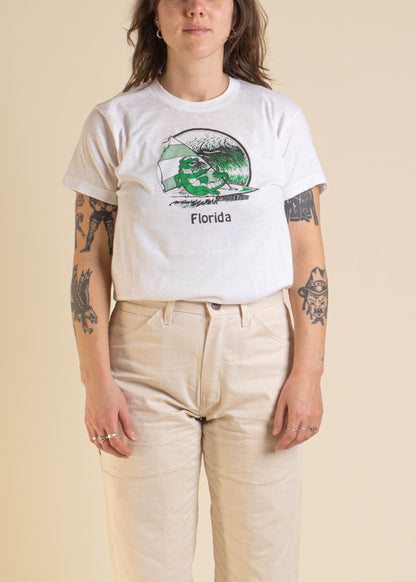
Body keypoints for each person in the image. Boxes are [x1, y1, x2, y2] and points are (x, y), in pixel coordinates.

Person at [61, 0, 328, 580]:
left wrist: (308, 374)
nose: (196, 7)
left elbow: (307, 253)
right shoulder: (115, 121)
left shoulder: (277, 118)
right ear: (154, 17)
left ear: (236, 16)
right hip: (145, 358)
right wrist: (96, 382)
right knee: (147, 568)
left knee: (264, 567)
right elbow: (90, 261)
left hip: (259, 355)